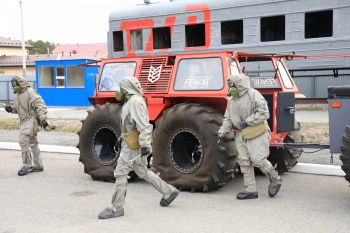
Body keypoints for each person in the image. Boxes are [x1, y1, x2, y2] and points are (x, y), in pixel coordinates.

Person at [98, 76, 180, 219]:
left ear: (127, 89)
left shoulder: (135, 102)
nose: (119, 91)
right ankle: (168, 191)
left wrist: (145, 145)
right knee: (142, 171)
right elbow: (131, 124)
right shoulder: (131, 102)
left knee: (120, 173)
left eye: (121, 88)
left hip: (133, 146)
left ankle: (116, 208)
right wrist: (121, 137)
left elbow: (143, 126)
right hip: (130, 142)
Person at [218, 74, 282, 200]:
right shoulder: (231, 100)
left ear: (239, 84)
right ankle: (251, 190)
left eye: (232, 85)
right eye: (229, 85)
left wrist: (248, 121)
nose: (230, 88)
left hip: (257, 130)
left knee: (258, 159)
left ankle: (275, 179)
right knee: (244, 161)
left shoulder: (253, 94)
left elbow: (264, 113)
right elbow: (228, 119)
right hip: (241, 133)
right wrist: (222, 132)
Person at [5, 76, 49, 176]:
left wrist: (43, 119)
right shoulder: (18, 95)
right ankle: (38, 165)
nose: (14, 86)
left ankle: (27, 165)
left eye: (16, 84)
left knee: (23, 140)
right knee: (33, 143)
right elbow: (17, 109)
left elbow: (40, 105)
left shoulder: (30, 92)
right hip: (24, 121)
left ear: (21, 82)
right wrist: (11, 109)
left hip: (31, 120)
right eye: (13, 85)